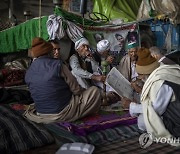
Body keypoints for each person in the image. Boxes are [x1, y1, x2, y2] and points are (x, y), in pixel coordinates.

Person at [24, 37, 101, 123]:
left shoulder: (29, 71)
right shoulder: (58, 64)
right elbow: (76, 90)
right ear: (49, 51)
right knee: (95, 91)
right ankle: (77, 114)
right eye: (53, 50)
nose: (56, 52)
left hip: (41, 113)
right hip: (62, 113)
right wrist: (83, 93)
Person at [122, 48, 180, 143]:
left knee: (142, 121)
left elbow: (156, 109)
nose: (139, 78)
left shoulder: (162, 81)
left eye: (140, 75)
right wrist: (141, 91)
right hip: (171, 112)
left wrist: (131, 106)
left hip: (176, 122)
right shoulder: (164, 70)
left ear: (145, 73)